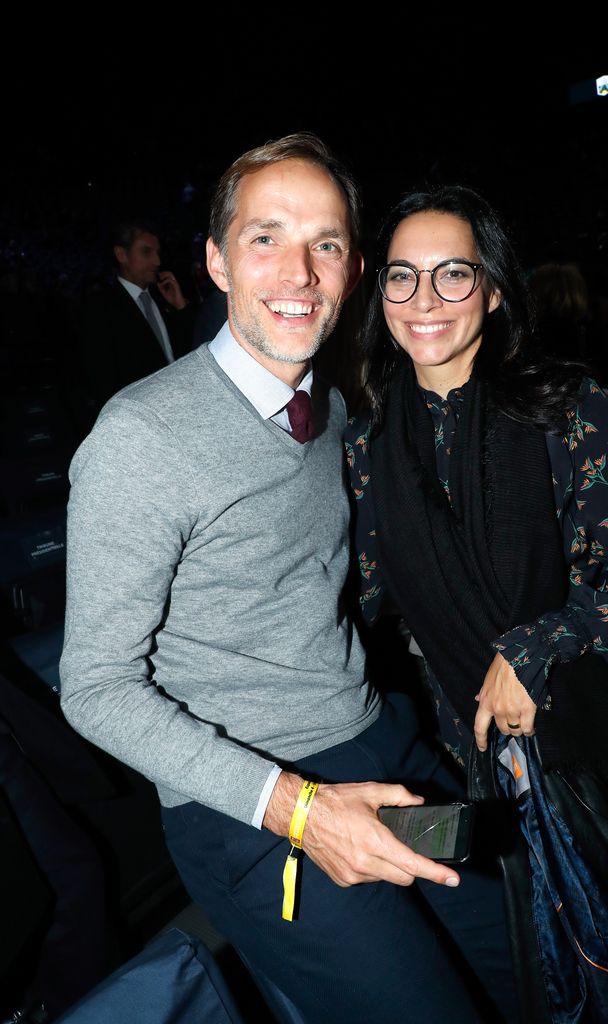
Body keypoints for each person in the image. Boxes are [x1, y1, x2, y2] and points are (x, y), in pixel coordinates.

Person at [60, 137, 519, 1024]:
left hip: (382, 748)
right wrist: (299, 810)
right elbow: (95, 690)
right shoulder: (141, 438)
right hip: (253, 803)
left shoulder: (333, 405)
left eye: (328, 243)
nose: (300, 272)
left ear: (352, 272)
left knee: (529, 960)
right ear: (215, 261)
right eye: (266, 237)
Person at [345, 184, 608, 1021]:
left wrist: (531, 651)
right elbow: (375, 606)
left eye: (453, 274)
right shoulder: (366, 445)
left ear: (493, 290)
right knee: (563, 981)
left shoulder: (568, 406)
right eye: (402, 277)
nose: (425, 301)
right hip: (486, 770)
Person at [80, 220, 194, 408]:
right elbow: (103, 380)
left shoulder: (164, 296)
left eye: (157, 253)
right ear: (121, 254)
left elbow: (192, 349)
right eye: (146, 252)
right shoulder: (100, 309)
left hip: (183, 403)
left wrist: (181, 307)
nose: (157, 261)